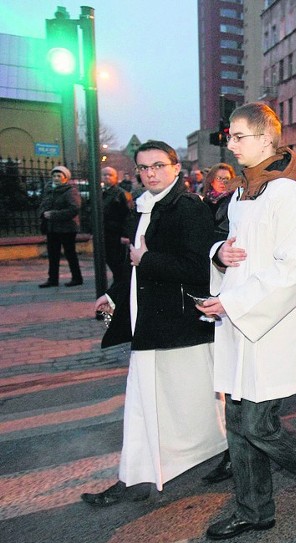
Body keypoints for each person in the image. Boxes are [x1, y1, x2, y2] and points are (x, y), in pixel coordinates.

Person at [196, 103, 296, 541]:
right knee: (239, 420)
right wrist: (217, 255)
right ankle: (254, 511)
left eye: (240, 137)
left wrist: (235, 304)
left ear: (266, 139)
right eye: (230, 137)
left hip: (272, 324)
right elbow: (232, 247)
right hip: (240, 319)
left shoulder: (288, 194)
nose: (231, 145)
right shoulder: (244, 191)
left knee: (259, 423)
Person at [82, 140, 227, 506]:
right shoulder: (144, 208)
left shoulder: (188, 208)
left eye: (158, 165)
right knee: (150, 406)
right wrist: (114, 294)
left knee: (194, 406)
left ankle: (231, 454)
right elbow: (136, 266)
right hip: (153, 325)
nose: (151, 173)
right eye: (144, 168)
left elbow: (199, 269)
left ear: (176, 168)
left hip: (178, 328)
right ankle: (136, 477)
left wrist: (147, 261)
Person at [37, 165, 83, 287]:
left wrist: (53, 215)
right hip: (51, 227)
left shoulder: (70, 191)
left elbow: (74, 209)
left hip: (67, 228)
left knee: (70, 253)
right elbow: (43, 204)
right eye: (54, 175)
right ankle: (52, 279)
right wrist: (43, 214)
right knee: (53, 254)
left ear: (65, 178)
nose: (56, 178)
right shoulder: (49, 190)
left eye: (59, 176)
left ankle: (77, 278)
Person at [101, 166, 134, 284]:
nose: (107, 177)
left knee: (117, 261)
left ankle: (120, 284)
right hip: (105, 231)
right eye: (104, 174)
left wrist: (125, 234)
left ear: (115, 178)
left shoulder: (120, 194)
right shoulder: (101, 192)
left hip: (116, 233)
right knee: (108, 259)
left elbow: (127, 215)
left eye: (110, 175)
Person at [202, 163, 237, 240]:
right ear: (211, 181)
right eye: (219, 178)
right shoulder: (203, 202)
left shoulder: (235, 201)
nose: (223, 182)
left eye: (227, 178)